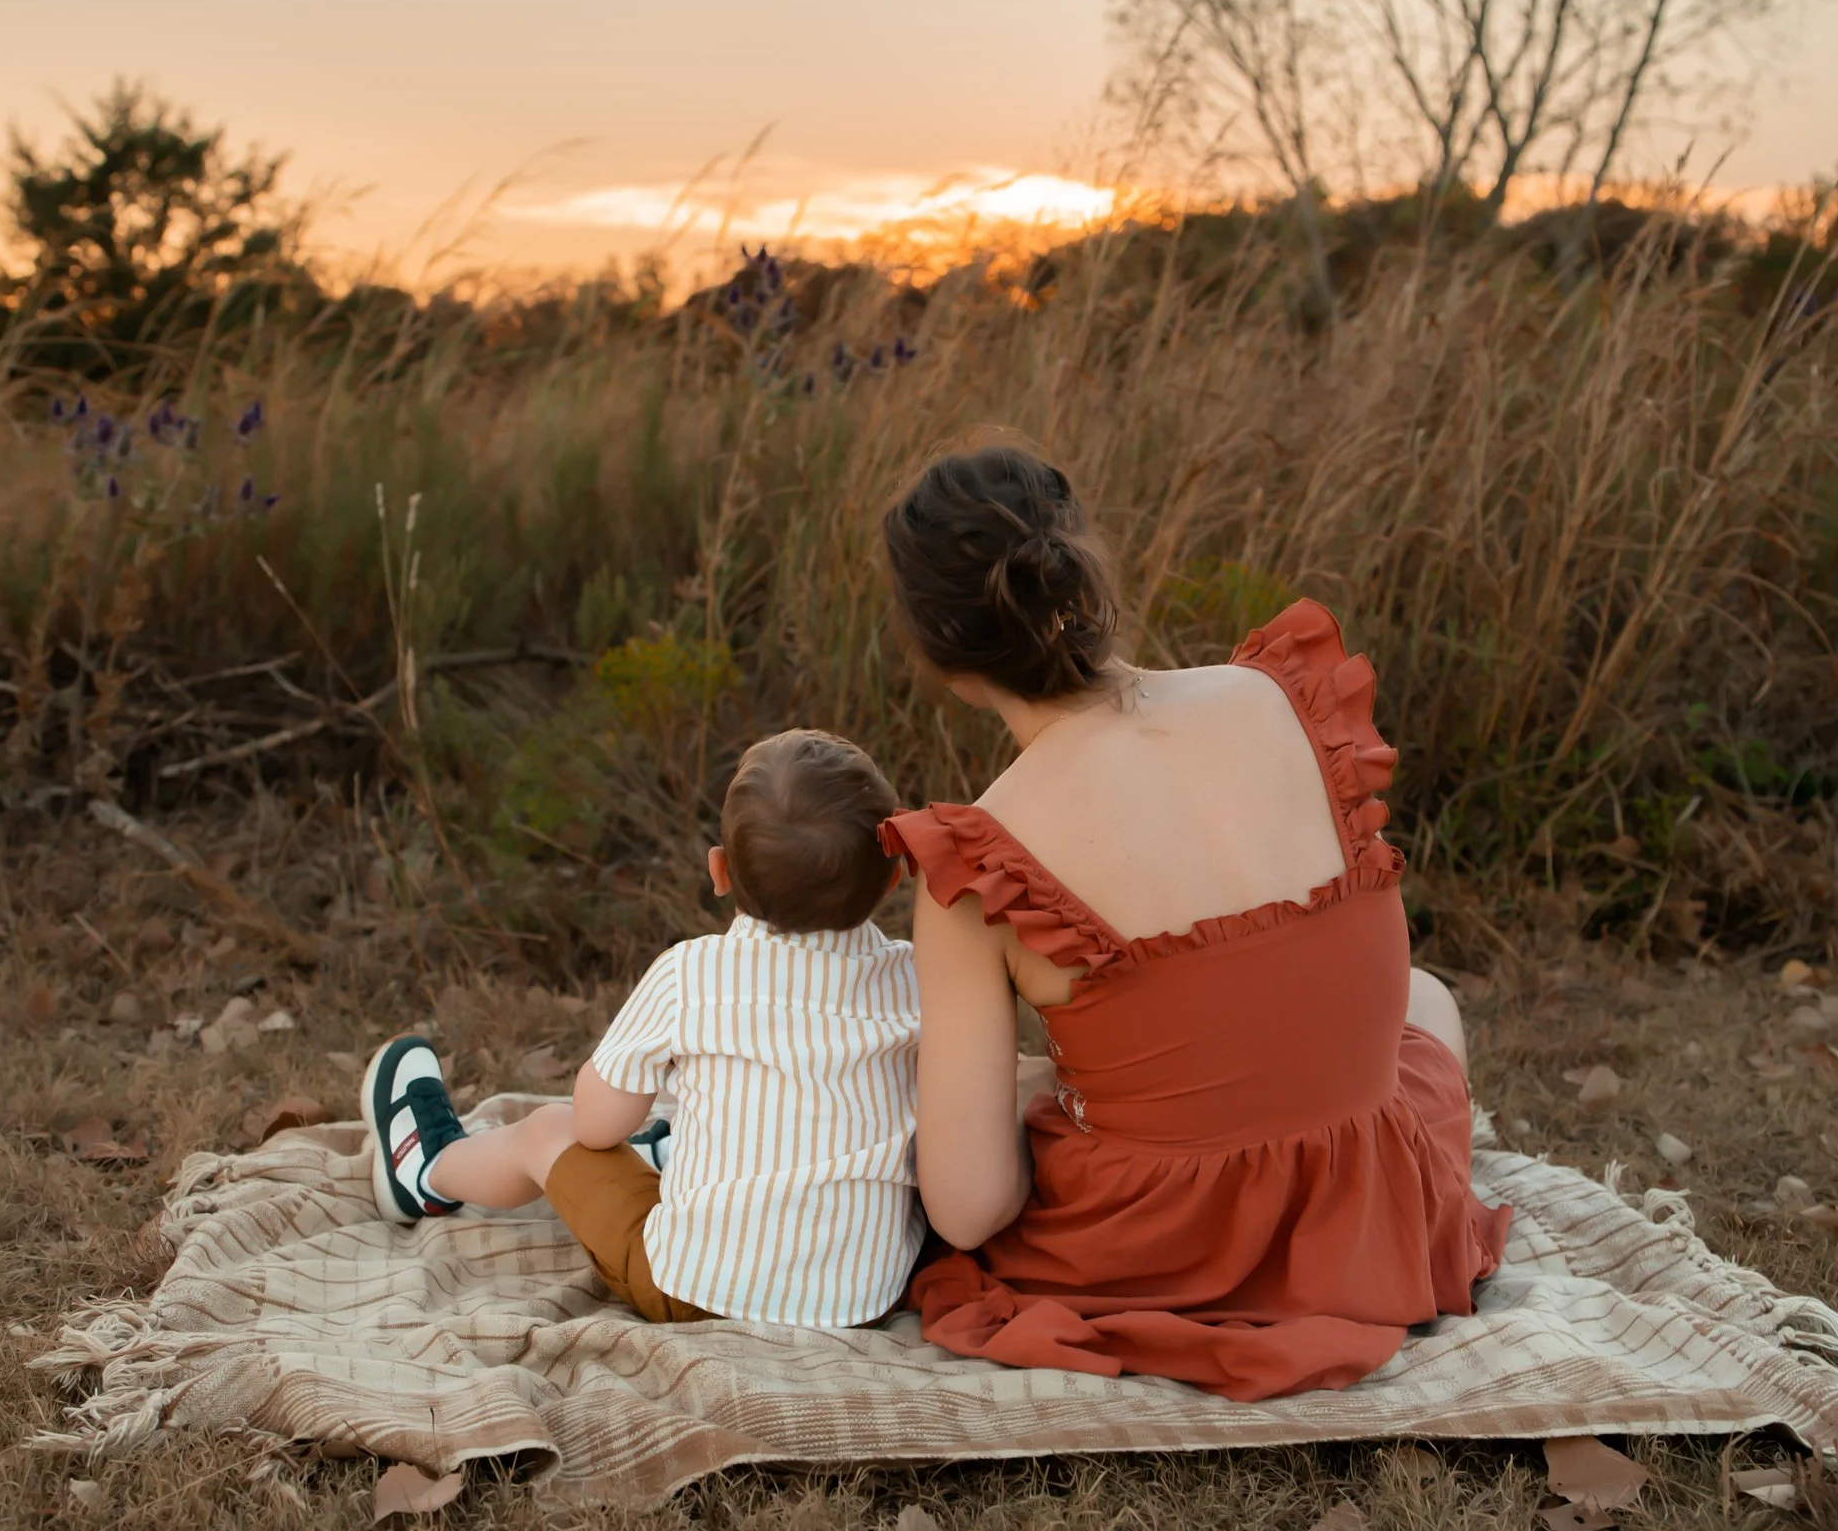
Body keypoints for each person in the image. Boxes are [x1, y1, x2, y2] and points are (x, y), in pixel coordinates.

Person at [877, 444, 1510, 1399]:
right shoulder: (1284, 698)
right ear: (1084, 566)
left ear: (940, 654)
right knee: (1427, 1002)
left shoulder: (983, 864)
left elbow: (968, 1212)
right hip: (1366, 1211)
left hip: (1164, 1246)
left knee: (994, 1113)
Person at [362, 728, 925, 1328]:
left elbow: (597, 1125)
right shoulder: (916, 978)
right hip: (862, 1299)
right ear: (892, 880)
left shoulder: (693, 974)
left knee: (549, 1129)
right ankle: (672, 1150)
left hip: (693, 1289)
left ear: (720, 871)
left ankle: (426, 1172)